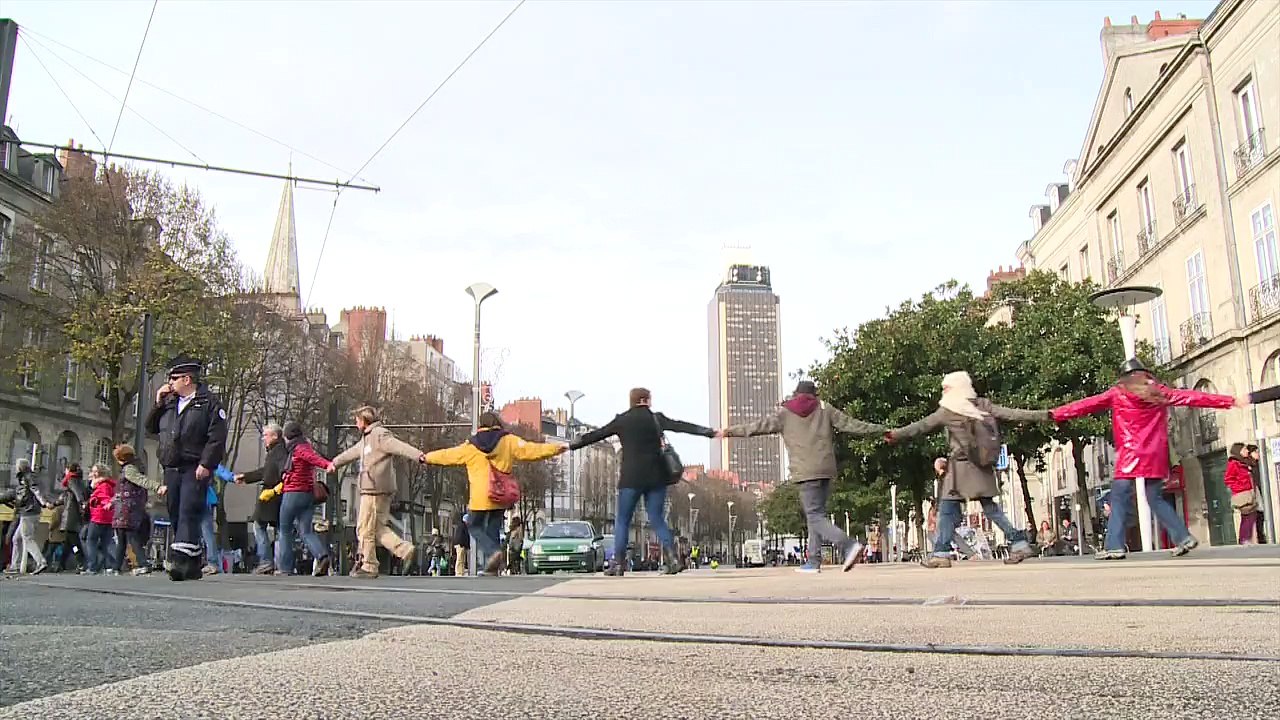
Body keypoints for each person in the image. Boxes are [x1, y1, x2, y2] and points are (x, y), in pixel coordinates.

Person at [1052, 359, 1244, 559]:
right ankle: (1183, 536)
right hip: (1155, 454)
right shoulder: (1159, 392)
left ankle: (1115, 545)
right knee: (1155, 498)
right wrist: (1229, 401)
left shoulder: (1118, 393)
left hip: (1129, 454)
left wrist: (1057, 413)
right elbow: (1192, 397)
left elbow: (1086, 405)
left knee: (1119, 498)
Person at [887, 371, 1050, 568]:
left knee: (947, 510)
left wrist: (895, 434)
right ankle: (1019, 542)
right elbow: (1012, 413)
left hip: (960, 469)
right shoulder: (982, 405)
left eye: (946, 387)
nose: (943, 391)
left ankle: (941, 552)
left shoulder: (947, 410)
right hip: (981, 466)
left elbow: (920, 426)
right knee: (989, 508)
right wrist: (1043, 415)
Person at [720, 380, 884, 573]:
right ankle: (813, 561)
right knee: (817, 515)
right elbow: (851, 424)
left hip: (805, 472)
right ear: (815, 394)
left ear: (796, 394)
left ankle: (848, 545)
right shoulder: (824, 408)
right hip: (826, 469)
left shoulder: (785, 413)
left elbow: (757, 427)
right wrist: (880, 430)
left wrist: (728, 432)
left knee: (814, 516)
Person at [571, 388, 715, 577]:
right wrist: (709, 432)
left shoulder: (622, 420)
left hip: (631, 477)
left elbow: (598, 434)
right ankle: (672, 559)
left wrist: (571, 445)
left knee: (622, 520)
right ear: (646, 400)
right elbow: (682, 426)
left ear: (632, 401)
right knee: (656, 518)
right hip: (657, 477)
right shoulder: (656, 419)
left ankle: (619, 564)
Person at [425, 413, 566, 575]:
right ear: (497, 423)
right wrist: (556, 448)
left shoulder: (471, 445)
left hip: (480, 496)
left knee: (473, 524)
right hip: (500, 495)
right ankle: (491, 568)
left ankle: (492, 554)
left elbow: (447, 455)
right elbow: (531, 449)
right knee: (492, 527)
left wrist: (426, 457)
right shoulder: (508, 440)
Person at [145, 356, 228, 581]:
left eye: (173, 379)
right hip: (171, 466)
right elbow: (150, 427)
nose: (169, 383)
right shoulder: (170, 403)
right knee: (174, 510)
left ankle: (180, 562)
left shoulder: (208, 404)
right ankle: (192, 562)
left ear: (186, 379)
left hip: (194, 466)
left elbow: (217, 437)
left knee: (188, 511)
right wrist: (158, 402)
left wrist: (206, 463)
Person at [330, 406, 428, 579]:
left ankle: (369, 565)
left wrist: (419, 455)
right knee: (377, 528)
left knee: (364, 528)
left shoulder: (379, 435)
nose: (355, 424)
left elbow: (399, 446)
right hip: (377, 489)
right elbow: (351, 453)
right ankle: (405, 550)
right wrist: (335, 463)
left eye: (357, 420)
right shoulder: (367, 439)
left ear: (364, 421)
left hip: (374, 489)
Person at [258, 421, 333, 577]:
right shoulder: (305, 446)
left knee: (284, 530)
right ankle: (322, 556)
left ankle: (285, 567)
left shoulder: (297, 449)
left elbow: (313, 458)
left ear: (288, 436)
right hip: (308, 494)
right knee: (306, 531)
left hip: (293, 493)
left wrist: (327, 465)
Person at [235, 423, 287, 574]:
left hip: (272, 493)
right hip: (274, 493)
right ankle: (280, 563)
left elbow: (271, 473)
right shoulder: (276, 451)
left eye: (265, 435)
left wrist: (273, 487)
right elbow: (265, 471)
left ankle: (267, 561)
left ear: (275, 436)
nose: (263, 438)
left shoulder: (278, 452)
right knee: (279, 528)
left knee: (260, 525)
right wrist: (246, 477)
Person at [112, 444, 159, 575]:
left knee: (130, 538)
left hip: (126, 509)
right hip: (128, 507)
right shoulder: (133, 468)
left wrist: (157, 487)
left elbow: (141, 481)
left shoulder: (129, 470)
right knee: (123, 539)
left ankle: (143, 563)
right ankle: (117, 566)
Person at [7, 459, 51, 574]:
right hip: (28, 512)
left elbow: (36, 490)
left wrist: (44, 502)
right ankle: (15, 565)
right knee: (16, 539)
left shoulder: (28, 477)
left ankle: (41, 562)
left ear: (20, 467)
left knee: (27, 538)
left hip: (29, 512)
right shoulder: (26, 477)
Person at [1224, 442, 1260, 545]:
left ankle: (1248, 538)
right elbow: (1228, 479)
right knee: (1246, 516)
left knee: (1252, 515)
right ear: (1238, 451)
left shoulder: (1244, 462)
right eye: (1244, 450)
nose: (1247, 451)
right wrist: (1240, 488)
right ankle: (1244, 539)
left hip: (1250, 492)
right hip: (1243, 493)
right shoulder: (1234, 463)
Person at [85, 464, 117, 574]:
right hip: (107, 518)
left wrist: (106, 503)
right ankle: (110, 565)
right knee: (106, 543)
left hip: (99, 517)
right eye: (92, 471)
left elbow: (105, 497)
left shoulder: (103, 485)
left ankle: (92, 566)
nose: (93, 474)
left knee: (91, 541)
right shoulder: (106, 485)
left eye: (95, 471)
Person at [57, 464, 89, 572]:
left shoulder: (71, 480)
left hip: (70, 515)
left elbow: (77, 493)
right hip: (73, 514)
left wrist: (82, 502)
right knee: (68, 542)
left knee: (74, 542)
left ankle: (81, 561)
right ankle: (61, 564)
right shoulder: (79, 481)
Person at [1245, 445, 1267, 544]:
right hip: (1254, 493)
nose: (1258, 454)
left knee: (1260, 515)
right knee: (1256, 516)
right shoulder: (1249, 466)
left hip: (1260, 491)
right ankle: (1258, 537)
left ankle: (1261, 536)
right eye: (1255, 452)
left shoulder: (1258, 464)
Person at [201, 483, 221, 575]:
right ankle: (212, 562)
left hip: (204, 500)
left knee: (207, 532)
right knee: (206, 532)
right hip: (207, 499)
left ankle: (212, 562)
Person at [452, 512, 470, 577]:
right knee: (460, 559)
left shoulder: (461, 525)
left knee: (461, 559)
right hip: (461, 545)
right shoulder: (463, 526)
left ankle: (461, 571)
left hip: (460, 544)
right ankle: (458, 572)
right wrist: (466, 545)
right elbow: (463, 536)